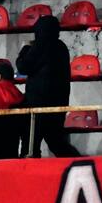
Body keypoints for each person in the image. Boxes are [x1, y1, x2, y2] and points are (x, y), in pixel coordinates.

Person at [16, 15, 81, 158]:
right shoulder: (61, 47)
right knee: (56, 142)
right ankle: (79, 165)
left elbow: (23, 67)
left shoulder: (40, 45)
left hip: (38, 106)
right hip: (58, 105)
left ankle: (30, 176)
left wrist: (26, 48)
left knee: (30, 146)